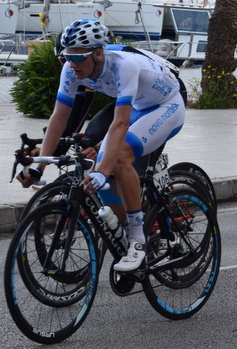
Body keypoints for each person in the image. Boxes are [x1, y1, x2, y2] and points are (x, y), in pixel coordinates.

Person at [16, 19, 186, 272]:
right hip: (141, 105)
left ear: (97, 54)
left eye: (77, 58)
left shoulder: (124, 66)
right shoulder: (72, 68)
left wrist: (102, 170)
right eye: (66, 58)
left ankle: (138, 241)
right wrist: (40, 167)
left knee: (117, 159)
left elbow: (120, 123)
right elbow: (59, 118)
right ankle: (125, 230)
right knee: (101, 168)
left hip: (166, 105)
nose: (70, 64)